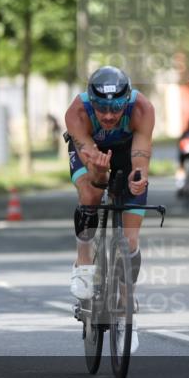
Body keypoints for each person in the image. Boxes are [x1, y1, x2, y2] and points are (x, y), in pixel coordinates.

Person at [64, 66, 154, 353]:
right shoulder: (77, 113)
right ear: (92, 101)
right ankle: (84, 265)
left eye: (116, 107)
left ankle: (128, 311)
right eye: (101, 108)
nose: (109, 115)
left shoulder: (142, 109)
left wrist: (137, 178)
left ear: (127, 101)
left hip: (127, 154)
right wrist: (101, 175)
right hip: (91, 157)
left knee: (129, 242)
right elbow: (97, 178)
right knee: (91, 193)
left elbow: (140, 155)